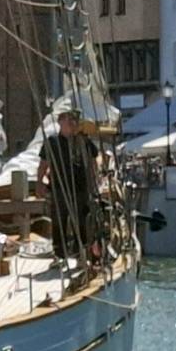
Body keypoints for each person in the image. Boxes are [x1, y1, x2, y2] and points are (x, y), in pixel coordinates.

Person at [38, 109, 101, 264]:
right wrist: (39, 183)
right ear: (60, 122)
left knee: (81, 221)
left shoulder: (83, 141)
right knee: (59, 221)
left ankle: (83, 254)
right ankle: (59, 255)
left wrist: (95, 179)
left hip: (80, 188)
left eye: (74, 121)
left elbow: (94, 160)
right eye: (69, 120)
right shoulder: (52, 142)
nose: (73, 124)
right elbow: (43, 164)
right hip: (59, 188)